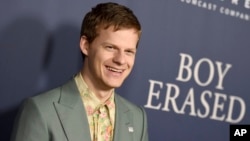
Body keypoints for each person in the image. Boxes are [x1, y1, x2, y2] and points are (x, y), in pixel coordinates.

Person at [11, 2, 148, 141]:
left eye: (129, 51)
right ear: (85, 45)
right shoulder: (41, 111)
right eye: (110, 47)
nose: (121, 60)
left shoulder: (138, 119)